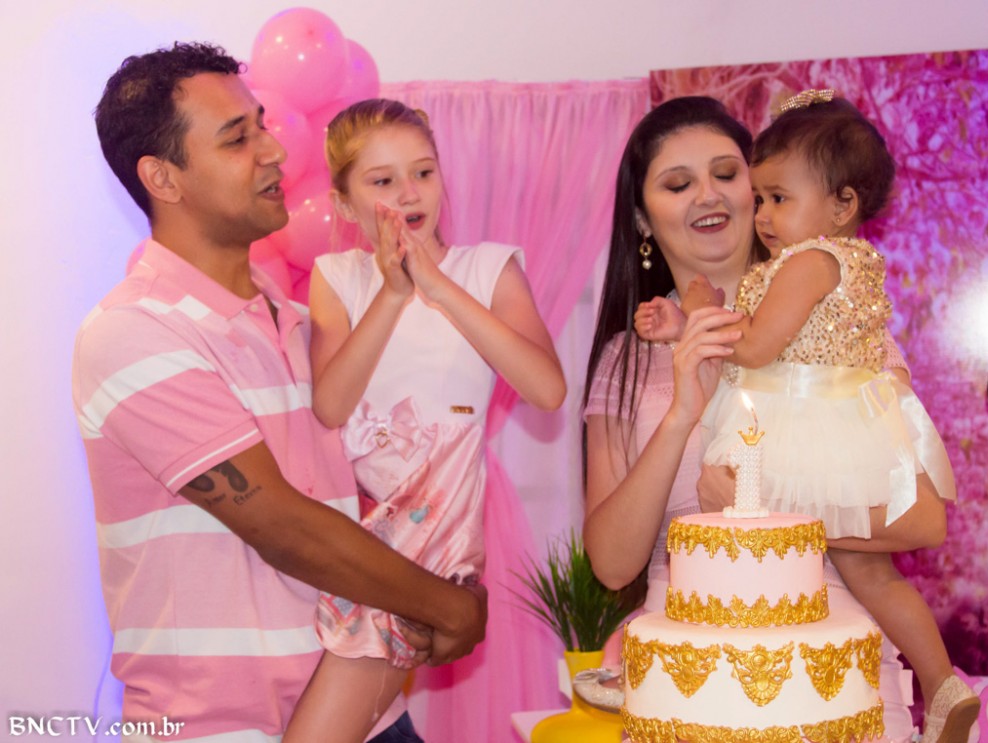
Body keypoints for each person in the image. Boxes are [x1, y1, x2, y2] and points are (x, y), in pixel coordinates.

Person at [72, 43, 486, 742]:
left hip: (368, 707)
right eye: (238, 138)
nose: (275, 152)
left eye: (262, 125)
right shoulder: (133, 331)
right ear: (162, 177)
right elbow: (282, 526)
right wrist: (450, 608)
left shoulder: (301, 324)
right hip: (220, 727)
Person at [582, 95, 951, 742]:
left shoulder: (837, 334)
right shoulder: (627, 359)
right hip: (693, 684)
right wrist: (682, 415)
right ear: (642, 216)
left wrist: (760, 500)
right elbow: (613, 565)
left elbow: (920, 517)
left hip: (838, 677)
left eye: (727, 174)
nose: (709, 195)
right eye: (678, 183)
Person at [282, 99, 566, 742]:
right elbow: (331, 406)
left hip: (432, 540)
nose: (409, 194)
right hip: (346, 535)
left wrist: (438, 286)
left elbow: (547, 389)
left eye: (423, 172)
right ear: (345, 204)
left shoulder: (489, 268)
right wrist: (394, 293)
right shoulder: (338, 276)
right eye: (382, 181)